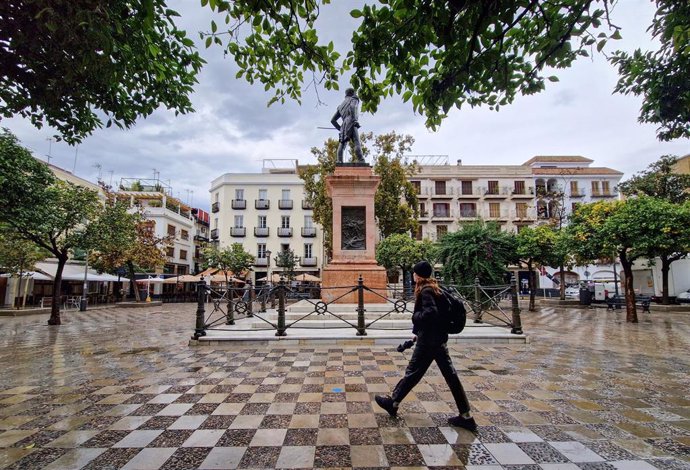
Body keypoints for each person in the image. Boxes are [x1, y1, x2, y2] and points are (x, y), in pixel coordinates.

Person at [374, 260, 477, 432]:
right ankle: (466, 415)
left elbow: (430, 313)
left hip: (429, 341)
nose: (413, 275)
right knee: (449, 376)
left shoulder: (426, 290)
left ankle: (393, 402)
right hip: (437, 338)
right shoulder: (435, 287)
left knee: (413, 372)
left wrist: (416, 318)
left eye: (414, 273)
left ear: (418, 275)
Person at [330, 88, 365, 164]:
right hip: (351, 120)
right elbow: (353, 107)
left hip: (344, 125)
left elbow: (333, 120)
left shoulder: (340, 106)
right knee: (356, 142)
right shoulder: (354, 99)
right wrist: (355, 120)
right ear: (352, 93)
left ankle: (339, 161)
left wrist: (340, 128)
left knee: (342, 143)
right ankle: (361, 160)